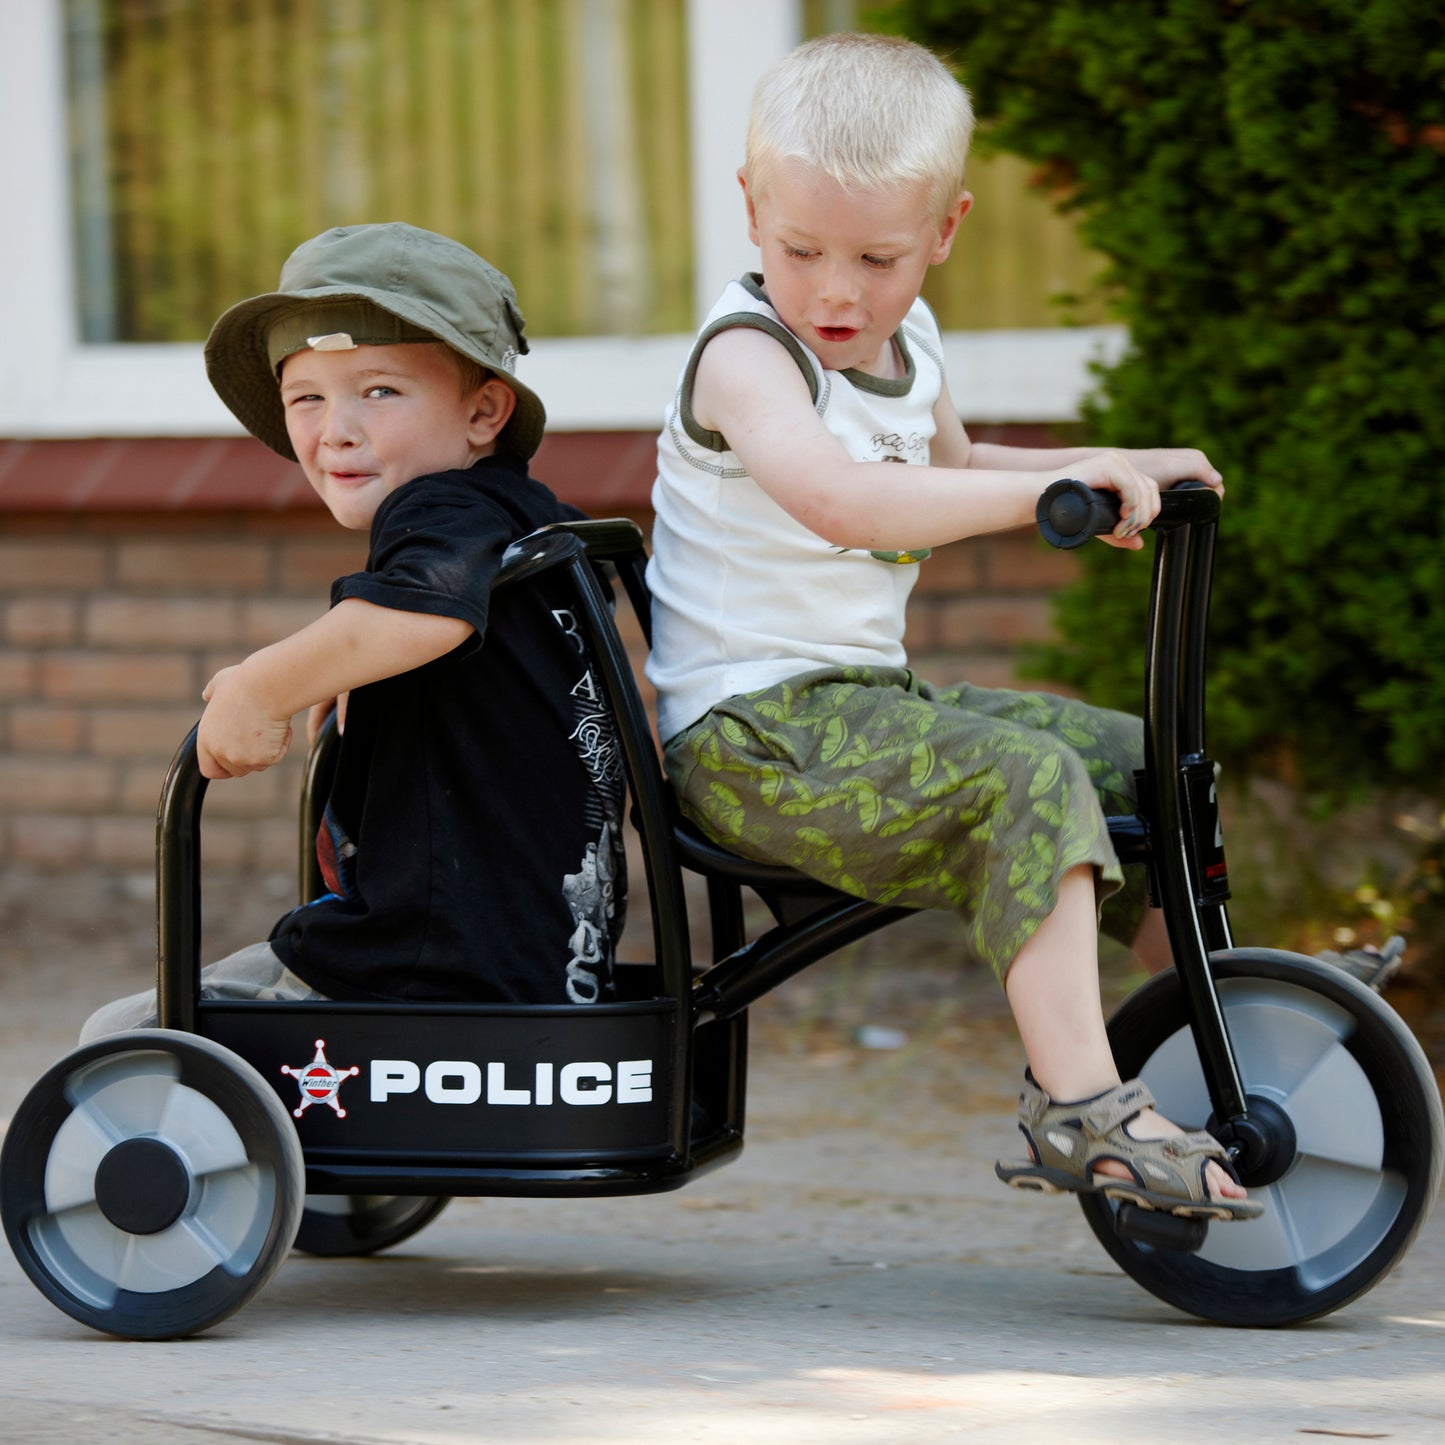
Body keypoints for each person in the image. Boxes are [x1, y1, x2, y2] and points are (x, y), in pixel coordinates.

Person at [646, 33, 1259, 1221]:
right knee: (1020, 783)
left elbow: (956, 463)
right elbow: (842, 499)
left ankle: (1221, 1014)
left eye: (877, 257)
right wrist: (1047, 499)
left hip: (858, 709)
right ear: (748, 210)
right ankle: (1079, 1110)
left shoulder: (908, 341)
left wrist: (1108, 461)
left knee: (1135, 756)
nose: (835, 291)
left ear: (944, 229)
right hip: (745, 741)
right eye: (799, 249)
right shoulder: (744, 358)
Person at [82, 222, 625, 1040]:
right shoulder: (536, 525)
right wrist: (354, 662)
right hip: (530, 956)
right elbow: (440, 621)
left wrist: (262, 682)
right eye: (307, 396)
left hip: (421, 965)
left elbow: (427, 605)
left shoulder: (439, 508)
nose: (335, 428)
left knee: (119, 1042)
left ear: (484, 411)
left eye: (378, 390)